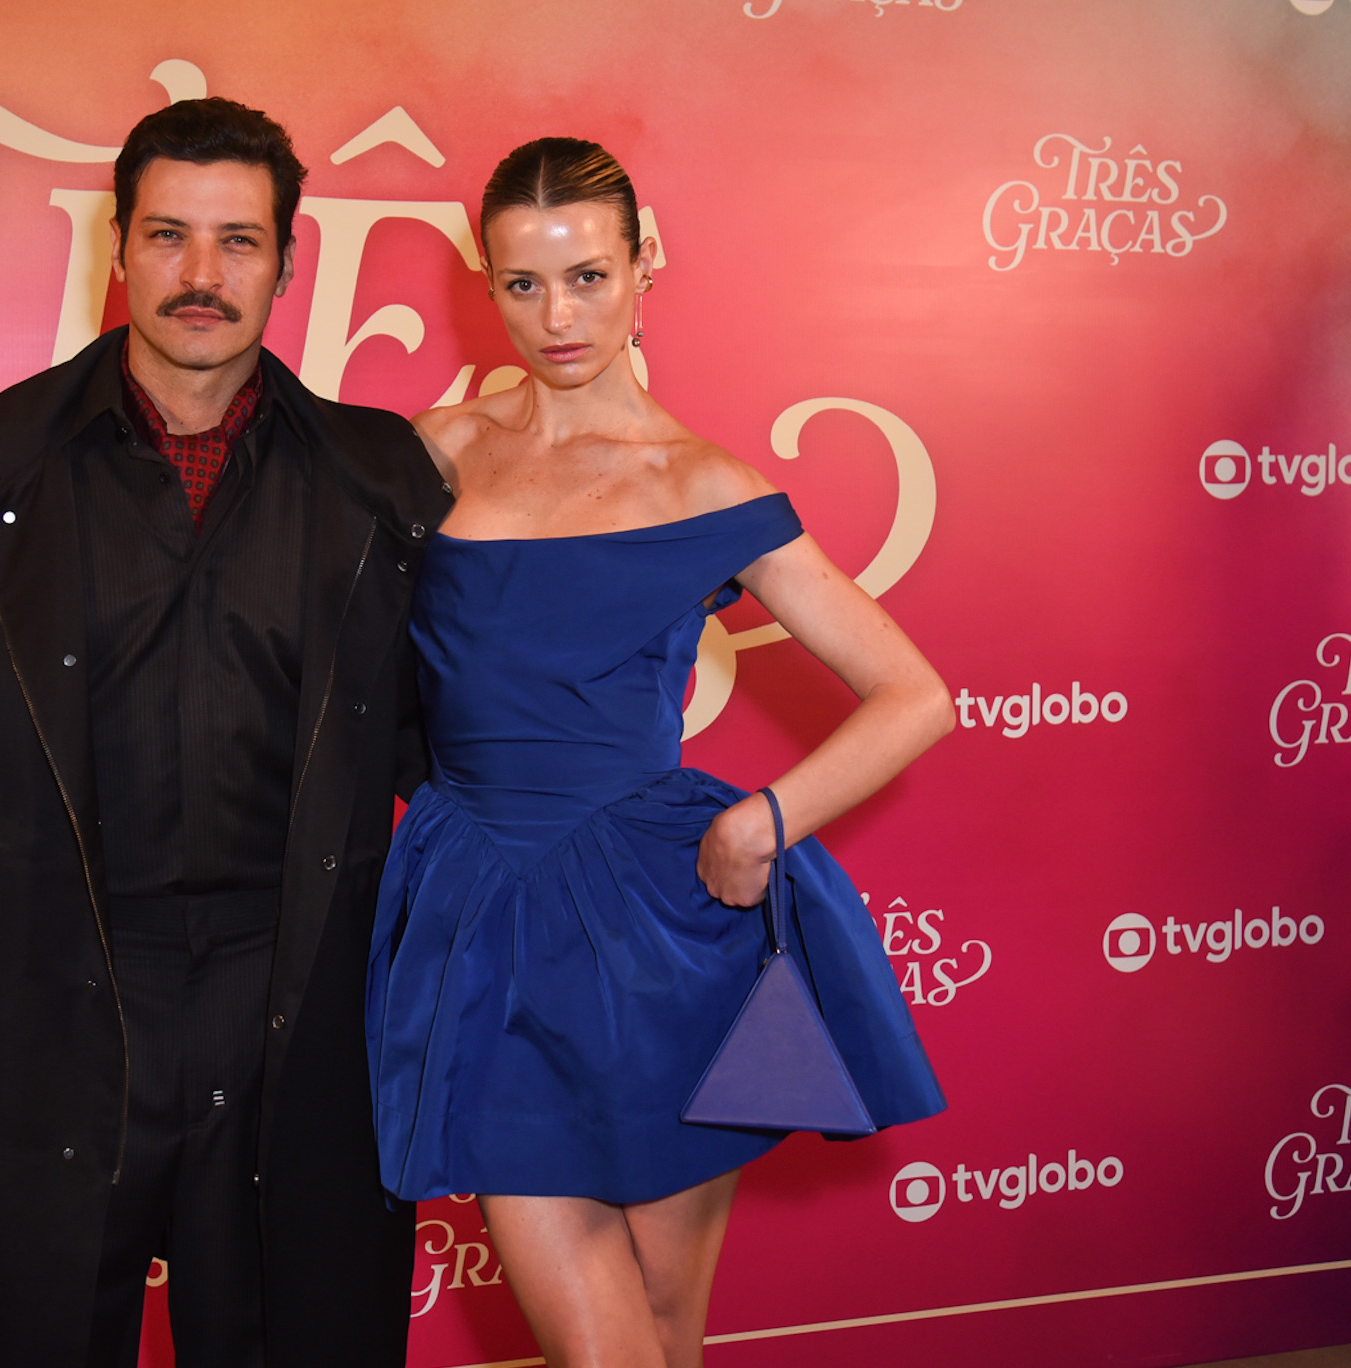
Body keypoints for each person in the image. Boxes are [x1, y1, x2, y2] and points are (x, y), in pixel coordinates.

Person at [0, 97, 450, 1368]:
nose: (200, 274)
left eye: (238, 240)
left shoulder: (381, 486)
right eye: (168, 235)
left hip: (299, 1019)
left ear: (285, 261)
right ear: (116, 247)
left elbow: (456, 765)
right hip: (35, 1016)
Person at [365, 138, 954, 1368]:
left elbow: (911, 694)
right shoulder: (437, 449)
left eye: (587, 276)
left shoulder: (704, 487)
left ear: (645, 266)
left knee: (663, 1324)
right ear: (487, 282)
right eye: (522, 283)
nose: (556, 317)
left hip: (654, 931)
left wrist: (761, 821)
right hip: (481, 914)